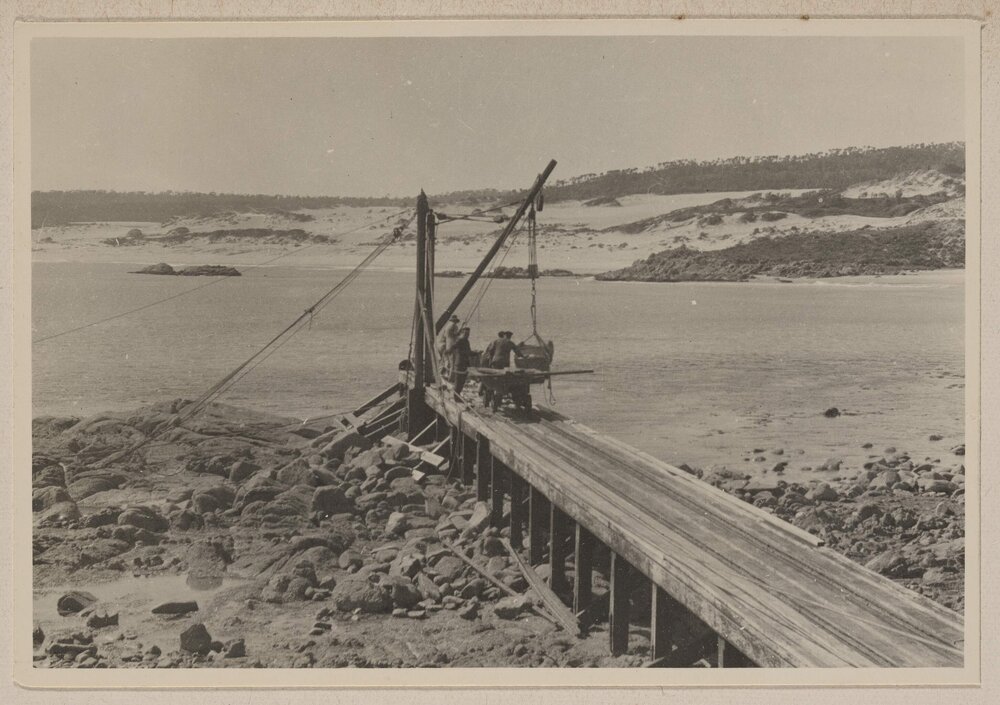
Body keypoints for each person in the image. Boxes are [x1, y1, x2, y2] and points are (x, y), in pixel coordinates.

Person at [446, 326, 473, 399]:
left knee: (462, 381)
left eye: (468, 334)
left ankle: (457, 395)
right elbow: (453, 347)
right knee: (458, 381)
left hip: (465, 364)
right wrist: (447, 352)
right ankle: (456, 396)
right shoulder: (460, 340)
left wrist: (476, 353)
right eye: (466, 333)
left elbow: (469, 352)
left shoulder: (467, 341)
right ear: (462, 333)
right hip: (459, 363)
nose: (467, 335)